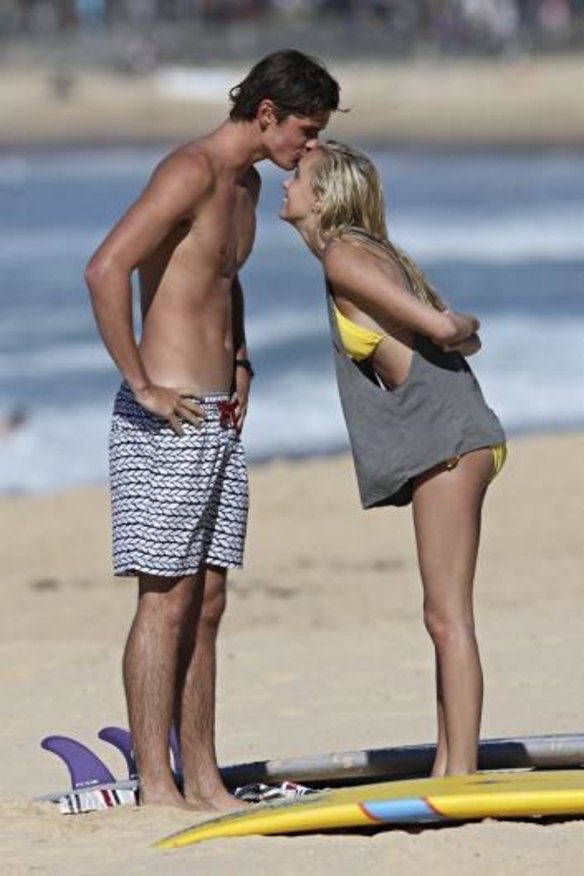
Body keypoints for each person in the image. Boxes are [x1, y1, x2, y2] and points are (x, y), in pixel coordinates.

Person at [85, 50, 340, 809]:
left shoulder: (250, 184)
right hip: (166, 419)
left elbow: (224, 278)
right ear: (266, 114)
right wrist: (142, 383)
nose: (311, 147)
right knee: (163, 599)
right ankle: (156, 785)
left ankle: (202, 776)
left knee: (210, 597)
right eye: (305, 129)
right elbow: (106, 269)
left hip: (218, 417)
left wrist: (243, 356)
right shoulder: (190, 171)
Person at [281, 141, 506, 776]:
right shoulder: (370, 253)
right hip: (454, 435)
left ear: (323, 196)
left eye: (297, 176)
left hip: (451, 440)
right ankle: (448, 765)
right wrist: (456, 325)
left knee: (447, 617)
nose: (286, 185)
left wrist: (454, 323)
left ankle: (459, 775)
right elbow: (461, 334)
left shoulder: (345, 256)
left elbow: (446, 331)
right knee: (442, 616)